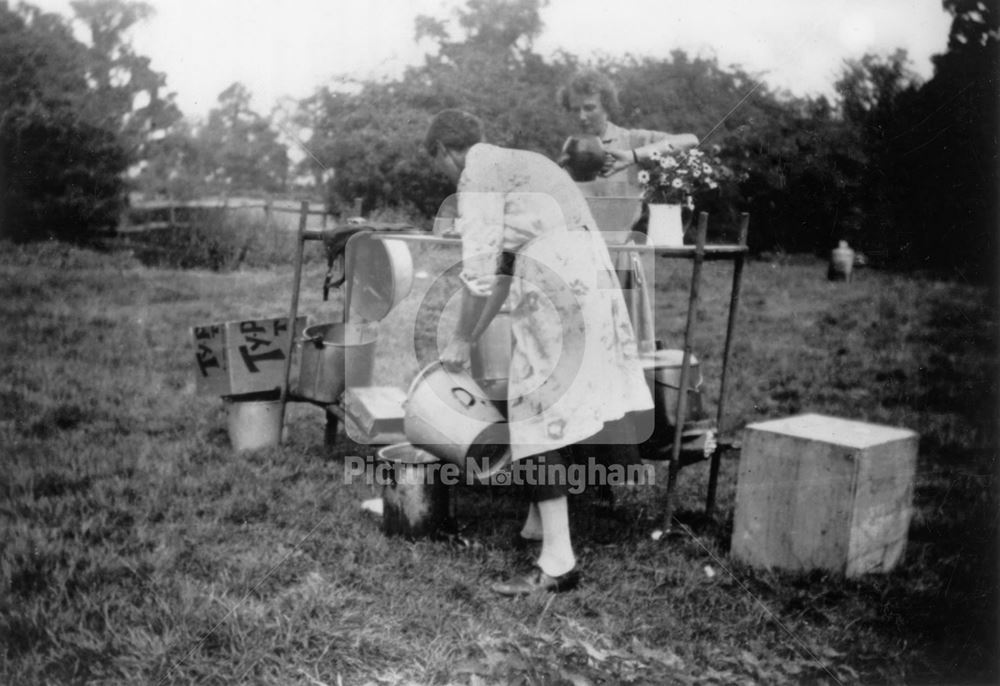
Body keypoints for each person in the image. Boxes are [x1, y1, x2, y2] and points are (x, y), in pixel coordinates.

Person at [425, 109, 654, 596]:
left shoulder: (477, 174)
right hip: (588, 278)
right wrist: (470, 336)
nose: (447, 175)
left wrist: (459, 341)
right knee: (559, 406)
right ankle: (536, 522)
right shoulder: (520, 162)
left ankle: (558, 562)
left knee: (536, 416)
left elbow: (479, 273)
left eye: (441, 165)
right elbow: (503, 275)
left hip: (558, 286)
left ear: (445, 151)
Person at [558, 69, 699, 197]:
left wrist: (632, 156)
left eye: (589, 108)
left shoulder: (631, 140)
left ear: (607, 106)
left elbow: (691, 141)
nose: (581, 116)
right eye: (575, 110)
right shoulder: (569, 150)